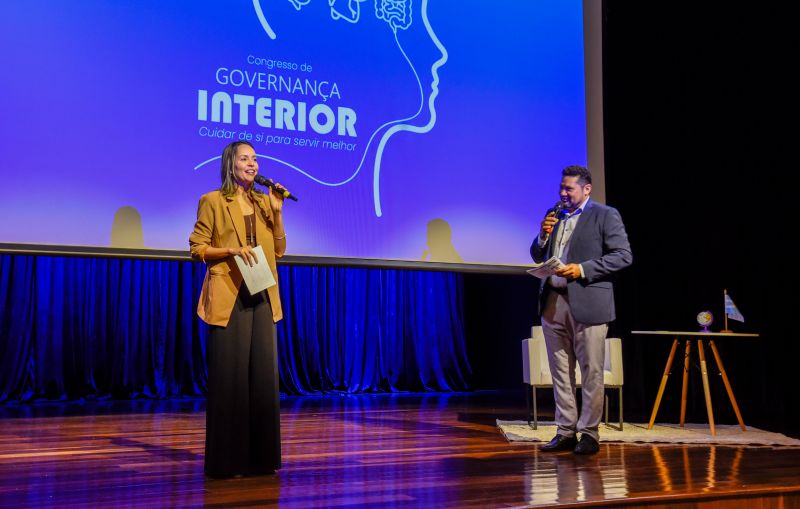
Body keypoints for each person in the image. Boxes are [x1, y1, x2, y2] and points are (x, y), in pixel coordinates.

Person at [189, 140, 288, 477]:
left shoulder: (263, 202)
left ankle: (261, 460)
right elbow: (197, 248)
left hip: (261, 295)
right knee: (229, 381)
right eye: (245, 158)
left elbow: (280, 250)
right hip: (229, 294)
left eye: (255, 159)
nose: (253, 164)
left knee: (262, 379)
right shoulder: (213, 201)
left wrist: (276, 211)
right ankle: (225, 461)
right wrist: (231, 250)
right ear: (230, 164)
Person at [530, 165, 632, 455]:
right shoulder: (557, 216)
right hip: (553, 301)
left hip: (588, 301)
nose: (562, 193)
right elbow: (538, 253)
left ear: (586, 189)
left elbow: (623, 256)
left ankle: (588, 433)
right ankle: (565, 431)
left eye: (569, 189)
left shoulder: (605, 214)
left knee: (591, 372)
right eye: (561, 188)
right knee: (560, 372)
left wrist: (583, 269)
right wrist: (541, 235)